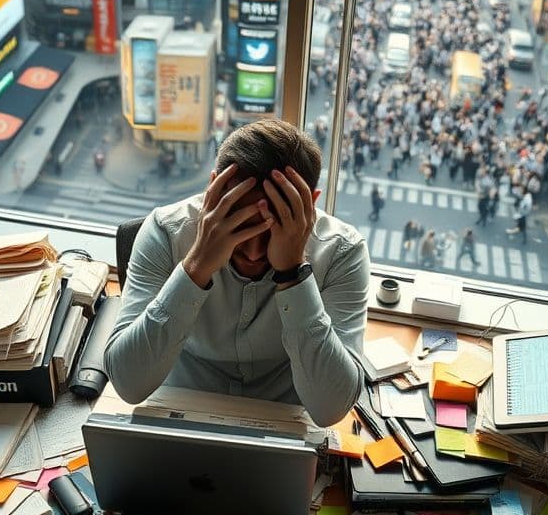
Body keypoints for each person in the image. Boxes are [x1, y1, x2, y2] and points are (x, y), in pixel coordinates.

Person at [104, 120, 371, 427]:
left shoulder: (342, 251)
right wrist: (197, 265)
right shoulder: (167, 232)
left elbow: (330, 409)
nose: (255, 252)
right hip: (181, 411)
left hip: (286, 421)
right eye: (240, 224)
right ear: (213, 191)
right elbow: (127, 384)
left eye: (273, 228)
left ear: (309, 204)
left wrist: (293, 273)